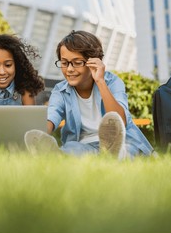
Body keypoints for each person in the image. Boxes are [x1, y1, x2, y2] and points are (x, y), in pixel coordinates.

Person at [24, 30, 154, 159]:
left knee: (127, 149)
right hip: (84, 146)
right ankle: (57, 155)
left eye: (77, 62)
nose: (69, 69)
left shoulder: (112, 82)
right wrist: (40, 135)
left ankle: (115, 154)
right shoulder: (60, 90)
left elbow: (120, 120)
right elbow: (52, 116)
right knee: (72, 148)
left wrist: (100, 81)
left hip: (121, 141)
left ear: (93, 62)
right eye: (64, 63)